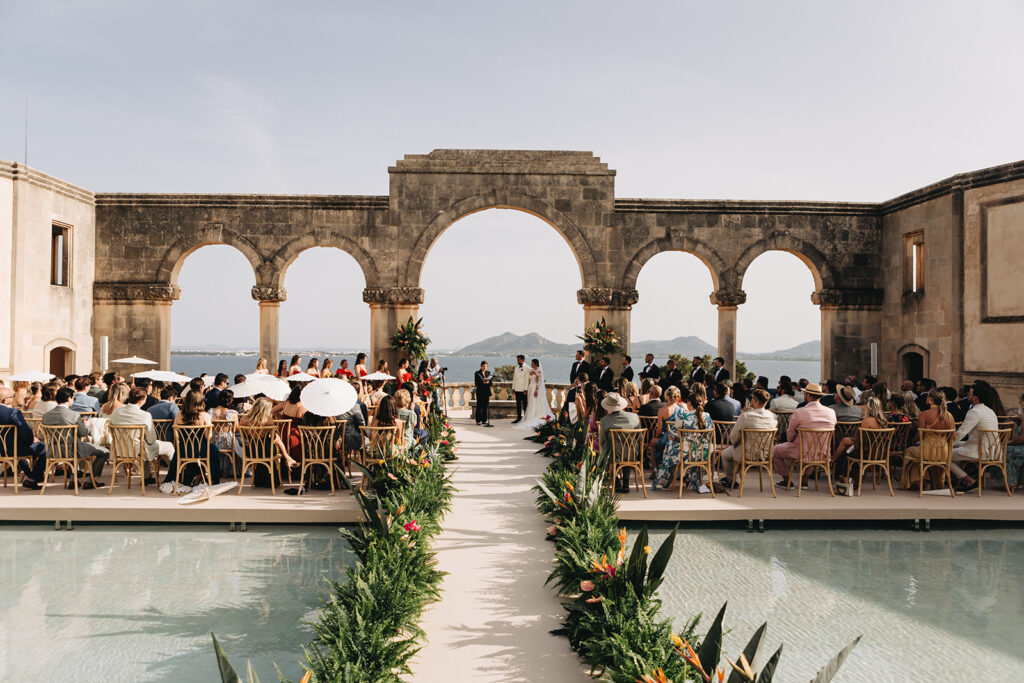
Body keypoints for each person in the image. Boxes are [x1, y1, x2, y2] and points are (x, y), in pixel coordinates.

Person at [40, 386, 109, 488]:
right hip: (74, 449)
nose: (74, 400)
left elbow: (42, 435)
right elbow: (83, 433)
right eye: (74, 398)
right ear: (69, 399)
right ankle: (90, 480)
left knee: (70, 446)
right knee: (104, 452)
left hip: (54, 450)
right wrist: (86, 425)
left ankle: (73, 480)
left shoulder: (46, 416)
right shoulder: (74, 415)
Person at [772, 382, 837, 490]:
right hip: (822, 451)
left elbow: (790, 436)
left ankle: (787, 480)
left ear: (807, 395)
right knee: (811, 445)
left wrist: (792, 440)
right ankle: (805, 480)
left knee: (774, 450)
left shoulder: (800, 412)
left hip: (802, 451)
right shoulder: (831, 412)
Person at [652, 386, 712, 493]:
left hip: (686, 454)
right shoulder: (707, 416)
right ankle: (690, 478)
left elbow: (672, 435)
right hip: (703, 453)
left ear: (689, 403)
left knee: (669, 446)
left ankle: (665, 479)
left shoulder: (683, 417)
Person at [109, 386, 175, 485]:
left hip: (119, 449)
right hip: (138, 449)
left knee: (144, 445)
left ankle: (147, 476)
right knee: (168, 446)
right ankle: (175, 475)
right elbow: (151, 439)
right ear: (141, 400)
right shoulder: (144, 415)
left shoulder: (116, 412)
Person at [161, 390, 221, 491]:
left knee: (188, 448)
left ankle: (193, 476)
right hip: (200, 450)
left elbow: (177, 436)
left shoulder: (179, 415)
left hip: (183, 450)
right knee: (213, 449)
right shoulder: (204, 415)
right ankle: (214, 481)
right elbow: (208, 437)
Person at [718, 389, 777, 488]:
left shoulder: (745, 416)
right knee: (736, 451)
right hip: (765, 453)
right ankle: (735, 475)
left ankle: (730, 480)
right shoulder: (773, 416)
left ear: (754, 400)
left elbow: (733, 437)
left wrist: (736, 443)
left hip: (746, 453)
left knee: (725, 454)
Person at [949, 382, 1000, 492]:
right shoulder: (989, 411)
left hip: (980, 450)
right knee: (954, 446)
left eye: (970, 394)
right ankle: (958, 479)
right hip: (993, 449)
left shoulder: (974, 412)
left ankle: (969, 481)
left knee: (942, 455)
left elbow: (961, 433)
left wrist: (947, 444)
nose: (968, 395)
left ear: (975, 399)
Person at [1, 387, 48, 490]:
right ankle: (33, 478)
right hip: (15, 450)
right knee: (44, 448)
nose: (13, 398)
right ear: (4, 400)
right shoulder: (13, 412)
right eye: (12, 396)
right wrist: (31, 440)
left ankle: (30, 476)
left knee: (18, 450)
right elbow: (26, 432)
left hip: (2, 450)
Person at [598, 393, 641, 493]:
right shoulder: (634, 417)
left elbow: (602, 441)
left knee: (608, 448)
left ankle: (616, 480)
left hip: (614, 455)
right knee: (627, 449)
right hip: (633, 454)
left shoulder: (605, 420)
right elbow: (640, 437)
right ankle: (626, 482)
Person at [272, 385, 308, 466]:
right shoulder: (302, 407)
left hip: (282, 432)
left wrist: (283, 418)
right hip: (294, 434)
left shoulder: (285, 403)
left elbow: (273, 411)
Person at [520, 358, 552, 429]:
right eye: (531, 363)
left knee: (535, 402)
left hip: (535, 388)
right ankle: (530, 416)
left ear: (535, 363)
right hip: (530, 388)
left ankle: (535, 415)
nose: (531, 364)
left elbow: (538, 382)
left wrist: (536, 390)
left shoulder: (538, 371)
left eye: (532, 363)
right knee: (530, 402)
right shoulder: (531, 370)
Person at [511, 354, 530, 424]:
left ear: (523, 360)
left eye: (518, 360)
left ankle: (526, 418)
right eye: (517, 360)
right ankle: (518, 418)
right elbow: (514, 378)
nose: (517, 361)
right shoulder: (516, 368)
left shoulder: (527, 368)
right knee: (518, 405)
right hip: (517, 389)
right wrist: (513, 388)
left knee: (525, 405)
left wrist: (525, 389)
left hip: (523, 390)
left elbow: (527, 380)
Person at [474, 361, 493, 427]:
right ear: (481, 366)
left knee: (485, 406)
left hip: (486, 392)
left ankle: (484, 420)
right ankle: (478, 420)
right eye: (484, 366)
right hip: (480, 392)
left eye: (486, 366)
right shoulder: (477, 373)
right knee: (479, 406)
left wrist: (488, 382)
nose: (485, 367)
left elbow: (491, 383)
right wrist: (483, 383)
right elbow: (476, 383)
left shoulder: (488, 373)